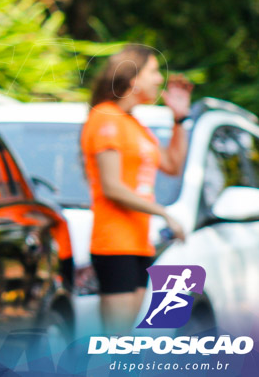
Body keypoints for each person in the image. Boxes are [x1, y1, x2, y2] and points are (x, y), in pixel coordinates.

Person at [81, 44, 192, 335]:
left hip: (139, 243)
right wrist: (163, 213)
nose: (159, 80)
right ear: (133, 78)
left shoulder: (135, 124)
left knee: (124, 341)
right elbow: (112, 187)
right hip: (114, 242)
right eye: (154, 72)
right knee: (114, 342)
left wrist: (179, 119)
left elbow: (172, 165)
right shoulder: (106, 117)